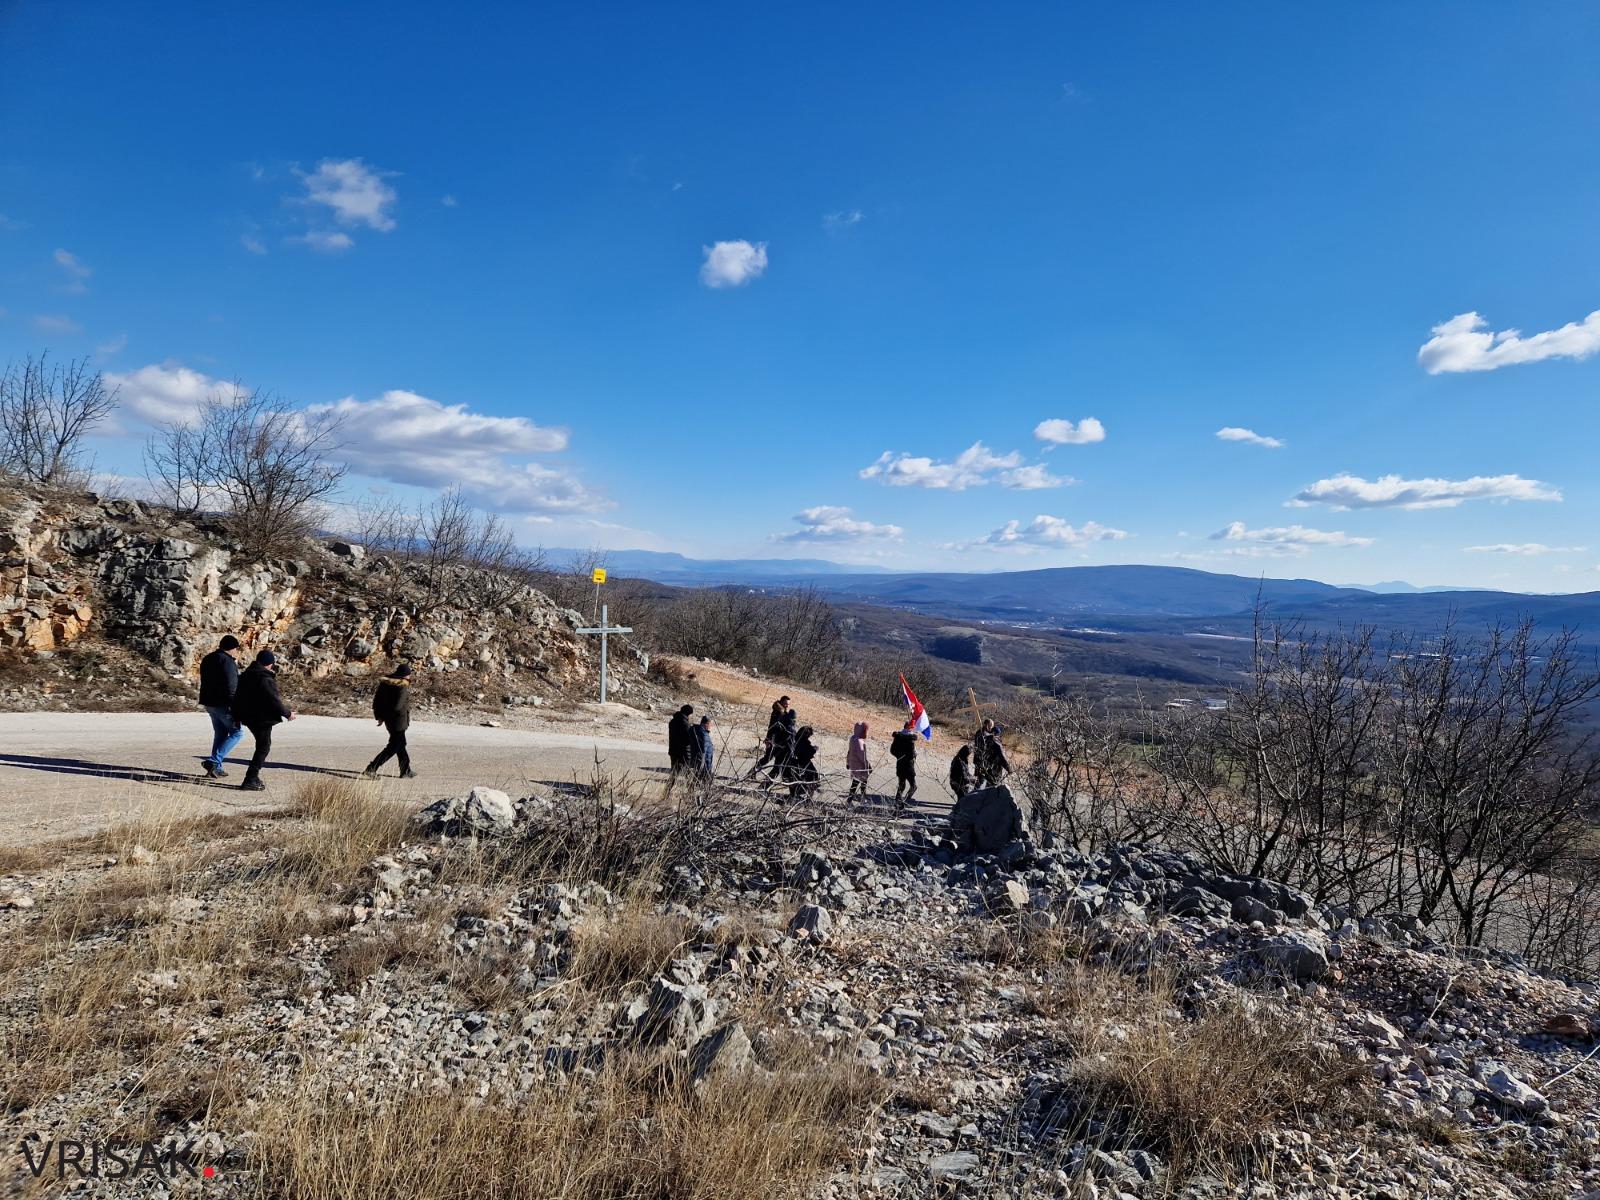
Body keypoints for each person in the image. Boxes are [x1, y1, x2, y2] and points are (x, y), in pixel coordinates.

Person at [230, 650, 294, 791]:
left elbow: (237, 697)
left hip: (248, 717)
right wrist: (288, 713)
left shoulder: (246, 675)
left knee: (262, 745)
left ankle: (252, 777)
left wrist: (236, 716)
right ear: (270, 664)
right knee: (263, 746)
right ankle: (251, 778)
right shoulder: (265, 678)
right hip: (261, 718)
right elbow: (274, 700)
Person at [197, 634, 244, 779]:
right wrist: (234, 706)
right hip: (223, 704)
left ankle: (217, 767)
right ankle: (214, 761)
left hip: (208, 702)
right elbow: (232, 686)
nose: (237, 651)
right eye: (237, 648)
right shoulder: (228, 662)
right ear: (233, 648)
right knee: (237, 733)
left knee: (221, 733)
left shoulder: (208, 658)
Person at [364, 664, 417, 779]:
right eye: (408, 674)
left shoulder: (385, 683)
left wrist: (380, 716)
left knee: (401, 744)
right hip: (398, 721)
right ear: (404, 675)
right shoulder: (402, 686)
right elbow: (398, 706)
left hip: (388, 720)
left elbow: (376, 701)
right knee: (393, 746)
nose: (409, 677)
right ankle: (372, 768)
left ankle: (406, 770)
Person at [745, 696, 791, 779]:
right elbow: (773, 728)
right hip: (773, 741)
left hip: (779, 742)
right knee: (767, 759)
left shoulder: (782, 712)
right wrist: (769, 740)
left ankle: (755, 775)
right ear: (781, 703)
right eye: (785, 704)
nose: (787, 705)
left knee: (775, 762)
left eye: (788, 704)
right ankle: (751, 773)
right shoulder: (777, 713)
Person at [761, 708, 798, 791]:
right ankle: (793, 794)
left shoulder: (783, 725)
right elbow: (790, 743)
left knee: (777, 770)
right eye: (794, 719)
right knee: (787, 773)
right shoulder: (789, 728)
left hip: (779, 752)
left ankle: (763, 786)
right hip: (786, 753)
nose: (795, 721)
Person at [889, 719, 919, 808]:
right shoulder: (911, 740)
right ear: (910, 727)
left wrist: (899, 756)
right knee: (913, 786)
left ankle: (897, 802)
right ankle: (904, 802)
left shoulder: (897, 737)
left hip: (900, 764)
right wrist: (914, 755)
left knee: (901, 785)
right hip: (909, 766)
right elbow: (911, 754)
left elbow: (892, 750)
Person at [666, 704, 695, 789]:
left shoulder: (672, 722)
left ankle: (666, 793)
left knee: (673, 774)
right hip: (684, 753)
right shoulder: (685, 724)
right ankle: (690, 795)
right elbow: (687, 740)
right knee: (688, 775)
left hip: (673, 751)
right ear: (688, 714)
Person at [789, 725, 820, 800]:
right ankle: (809, 798)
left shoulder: (796, 739)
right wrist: (814, 749)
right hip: (804, 762)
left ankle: (794, 795)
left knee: (795, 779)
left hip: (795, 762)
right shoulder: (804, 742)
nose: (809, 736)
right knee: (813, 777)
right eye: (809, 735)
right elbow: (807, 754)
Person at [846, 721, 872, 798]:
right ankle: (855, 798)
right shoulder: (859, 741)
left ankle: (859, 797)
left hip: (853, 764)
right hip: (860, 766)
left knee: (856, 781)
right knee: (860, 781)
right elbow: (862, 757)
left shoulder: (853, 738)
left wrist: (847, 763)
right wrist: (868, 767)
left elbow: (849, 752)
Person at [972, 718, 996, 784]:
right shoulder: (981, 733)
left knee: (983, 778)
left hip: (984, 759)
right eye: (991, 725)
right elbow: (981, 745)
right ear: (987, 725)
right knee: (980, 778)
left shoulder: (985, 733)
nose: (992, 727)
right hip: (981, 758)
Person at [693, 715, 715, 781]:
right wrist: (700, 770)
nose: (711, 727)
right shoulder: (704, 735)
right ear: (706, 724)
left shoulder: (696, 731)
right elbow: (702, 753)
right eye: (711, 724)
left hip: (698, 765)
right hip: (705, 767)